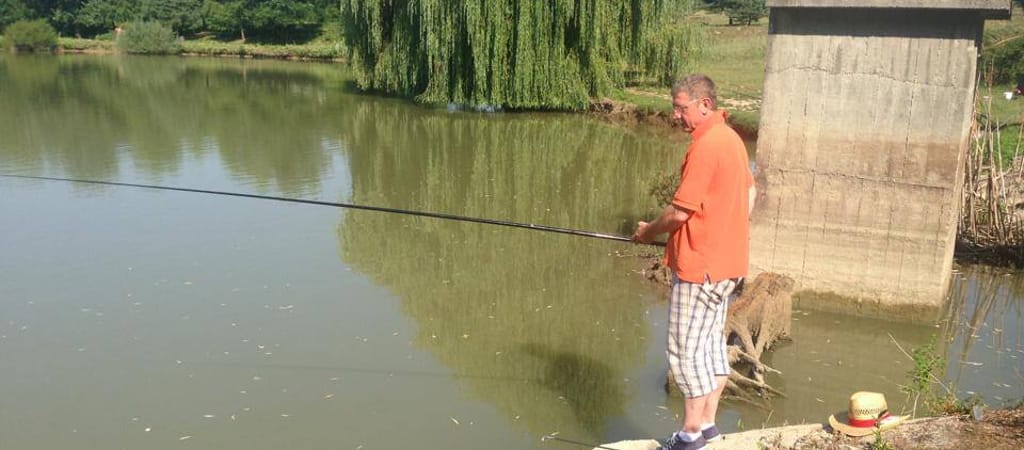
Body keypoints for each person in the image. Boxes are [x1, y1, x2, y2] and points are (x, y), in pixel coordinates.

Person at [633, 74, 756, 450]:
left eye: (680, 107)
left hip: (699, 269)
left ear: (704, 105)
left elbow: (679, 212)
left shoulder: (706, 145)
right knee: (711, 346)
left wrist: (648, 232)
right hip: (728, 265)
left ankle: (689, 436)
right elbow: (751, 193)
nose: (675, 114)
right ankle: (708, 426)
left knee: (685, 350)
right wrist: (725, 228)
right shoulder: (731, 139)